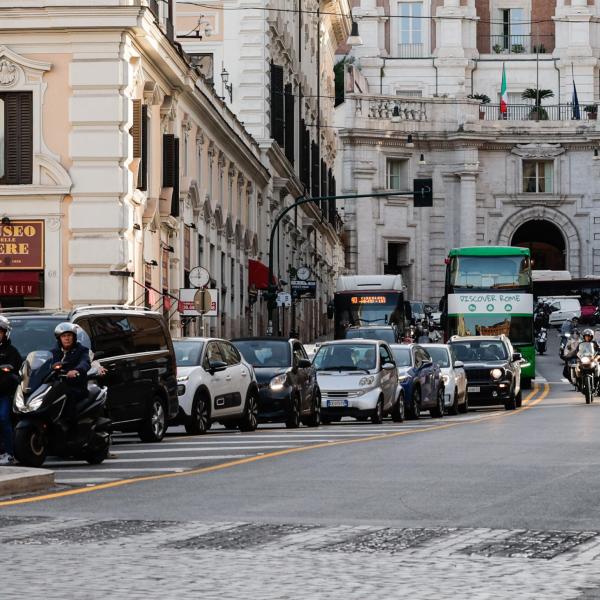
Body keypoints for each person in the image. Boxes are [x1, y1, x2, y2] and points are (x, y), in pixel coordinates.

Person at [51, 322, 91, 428]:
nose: (67, 338)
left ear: (74, 337)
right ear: (59, 338)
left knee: (68, 395)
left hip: (76, 387)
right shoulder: (54, 352)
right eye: (64, 336)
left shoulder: (81, 350)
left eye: (69, 335)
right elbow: (46, 363)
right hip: (57, 386)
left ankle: (72, 428)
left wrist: (76, 370)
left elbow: (85, 362)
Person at [0, 317, 22, 465]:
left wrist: (8, 374)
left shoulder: (11, 351)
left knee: (3, 418)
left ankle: (9, 453)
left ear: (5, 333)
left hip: (4, 393)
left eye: (0, 332)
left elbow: (18, 372)